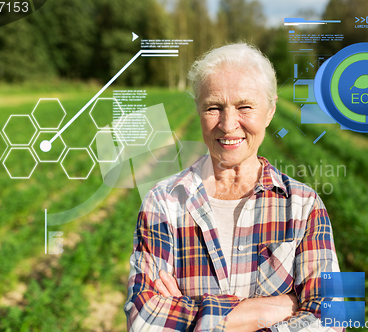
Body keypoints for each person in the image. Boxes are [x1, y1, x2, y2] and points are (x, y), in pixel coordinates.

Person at [124, 43, 342, 332]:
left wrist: (195, 318)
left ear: (270, 110)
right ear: (198, 110)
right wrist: (270, 309)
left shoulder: (303, 206)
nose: (228, 125)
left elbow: (329, 321)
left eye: (245, 107)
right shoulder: (164, 203)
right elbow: (143, 320)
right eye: (213, 107)